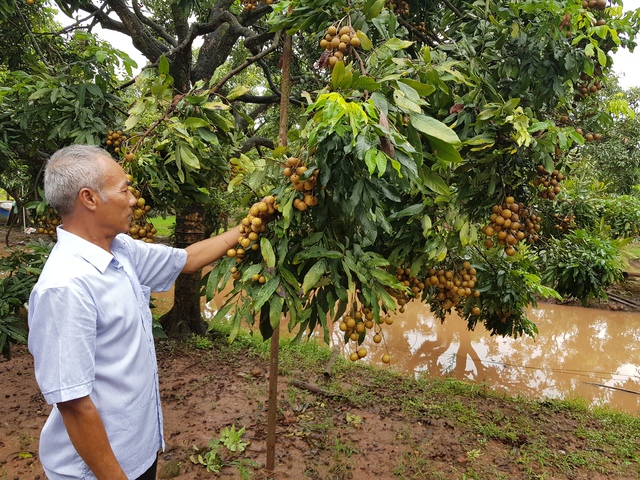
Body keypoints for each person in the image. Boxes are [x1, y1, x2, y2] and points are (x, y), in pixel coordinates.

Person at [28, 145, 243, 480]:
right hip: (98, 470)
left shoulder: (121, 249)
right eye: (124, 190)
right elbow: (74, 405)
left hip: (134, 453)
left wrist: (246, 228)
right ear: (89, 198)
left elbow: (186, 259)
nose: (132, 199)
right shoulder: (65, 288)